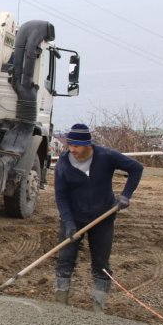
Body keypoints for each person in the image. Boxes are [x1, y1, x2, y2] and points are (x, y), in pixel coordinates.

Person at [53, 123, 143, 312]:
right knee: (65, 260)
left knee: (101, 263)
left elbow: (136, 168)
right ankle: (60, 306)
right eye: (70, 145)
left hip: (103, 217)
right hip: (74, 217)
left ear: (88, 145)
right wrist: (69, 223)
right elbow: (61, 196)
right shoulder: (63, 163)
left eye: (76, 146)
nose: (72, 149)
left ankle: (98, 308)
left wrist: (126, 195)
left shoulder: (105, 156)